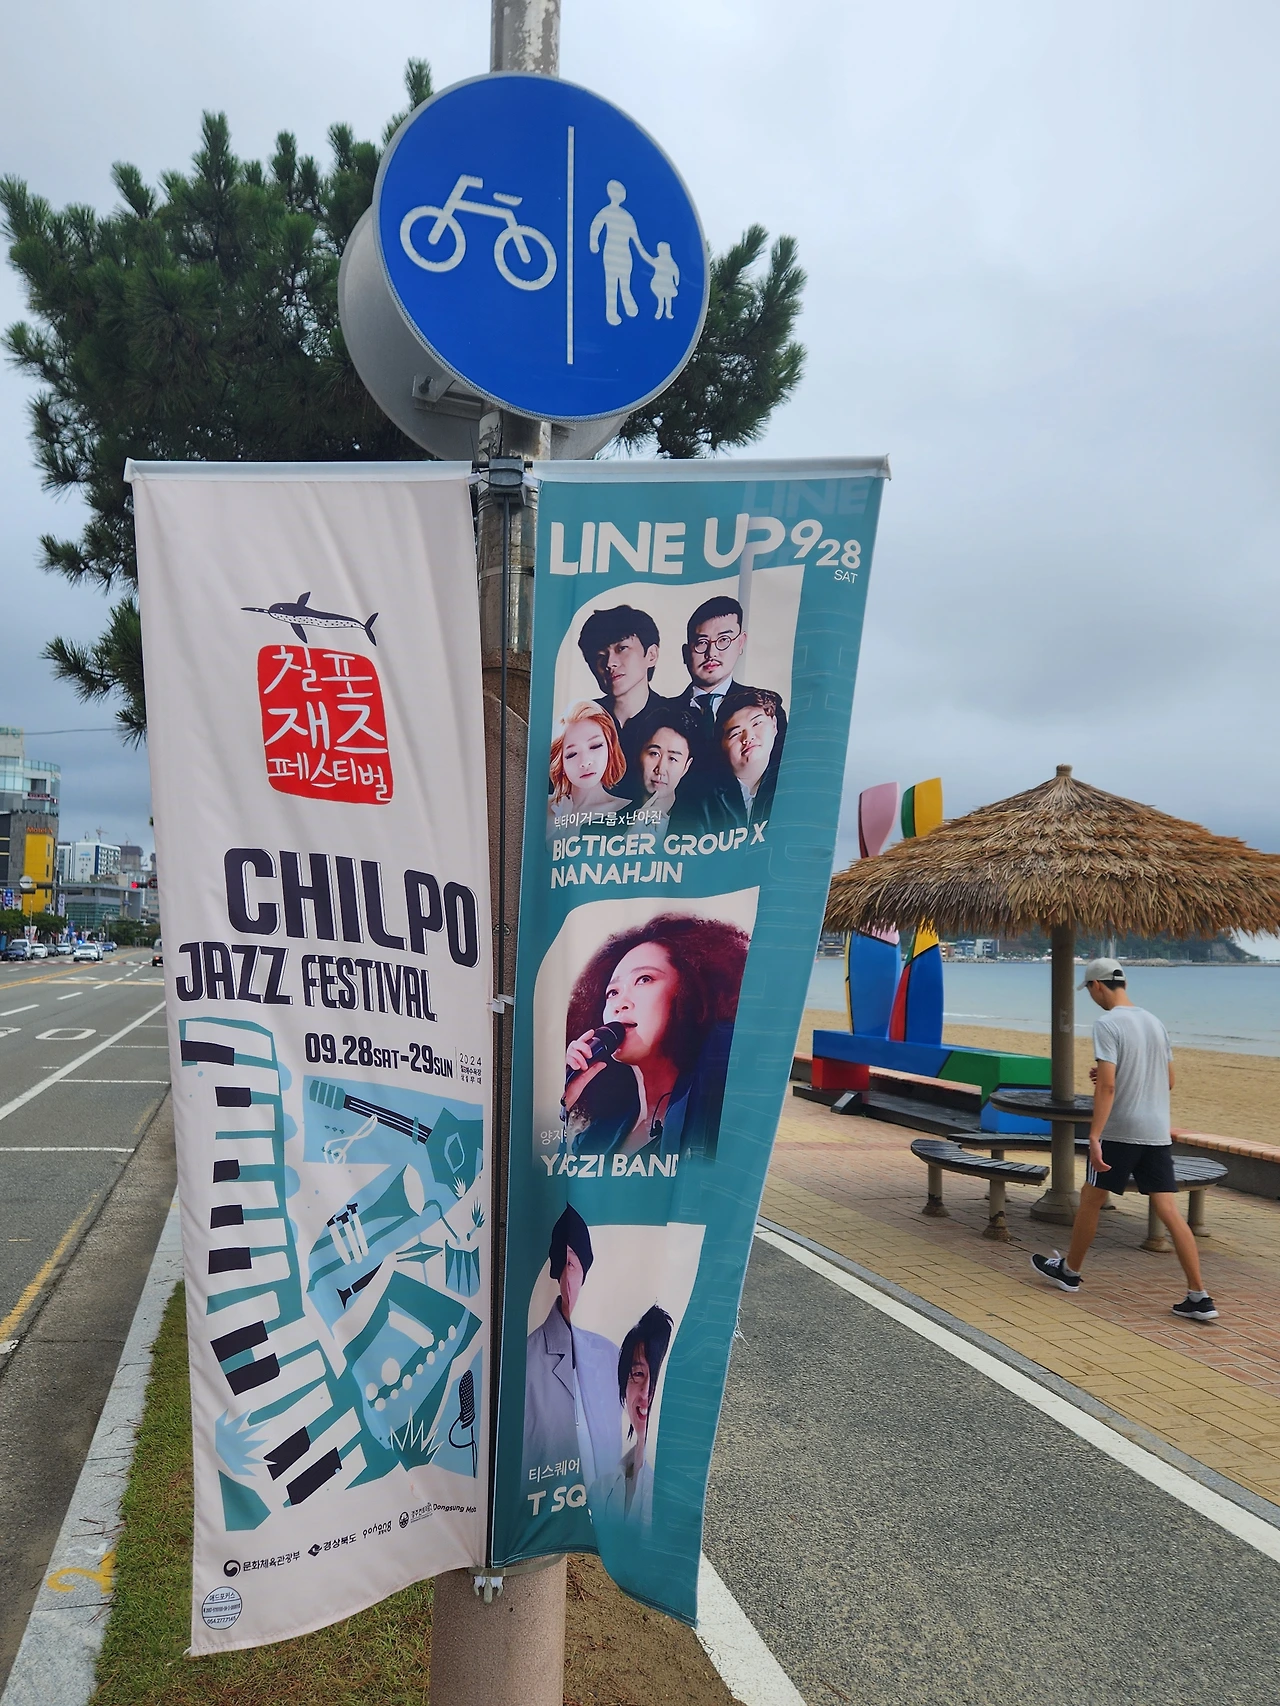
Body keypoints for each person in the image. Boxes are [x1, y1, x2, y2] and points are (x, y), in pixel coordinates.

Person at [1032, 958, 1217, 1322]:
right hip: (1156, 1132)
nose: (1092, 996)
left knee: (1090, 1199)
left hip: (1121, 1131)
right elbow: (1168, 1081)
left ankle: (1070, 1272)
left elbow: (1108, 1086)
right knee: (1168, 1210)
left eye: (1089, 990)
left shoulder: (1108, 1023)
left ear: (1097, 986)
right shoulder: (1154, 1022)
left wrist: (1095, 1135)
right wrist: (1113, 1075)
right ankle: (1199, 1296)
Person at [562, 913, 749, 1162]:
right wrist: (564, 1099)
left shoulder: (715, 1113)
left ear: (690, 992)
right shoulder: (596, 1135)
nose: (620, 1003)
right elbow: (552, 1179)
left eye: (644, 979)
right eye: (612, 992)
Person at [523, 1207, 623, 1489]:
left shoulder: (611, 1355)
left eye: (574, 1263)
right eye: (564, 1263)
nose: (569, 1276)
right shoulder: (526, 1360)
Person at [577, 605, 674, 803]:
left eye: (621, 648)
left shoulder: (677, 719)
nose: (609, 663)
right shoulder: (579, 722)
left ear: (651, 655)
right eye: (600, 656)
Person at [588, 1305, 674, 1528]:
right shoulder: (601, 1490)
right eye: (638, 1374)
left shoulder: (678, 1490)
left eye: (658, 1377)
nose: (646, 1392)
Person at [671, 687, 787, 836]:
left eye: (757, 723)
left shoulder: (793, 785)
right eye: (736, 733)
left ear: (774, 725)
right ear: (722, 744)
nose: (747, 738)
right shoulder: (695, 799)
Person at [548, 700, 630, 831]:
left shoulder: (631, 813)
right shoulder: (541, 810)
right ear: (560, 762)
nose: (585, 762)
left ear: (610, 748)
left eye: (595, 746)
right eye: (572, 754)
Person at [629, 714, 697, 828]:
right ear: (638, 754)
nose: (660, 769)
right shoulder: (611, 813)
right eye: (654, 754)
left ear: (686, 766)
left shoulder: (699, 821)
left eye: (673, 759)